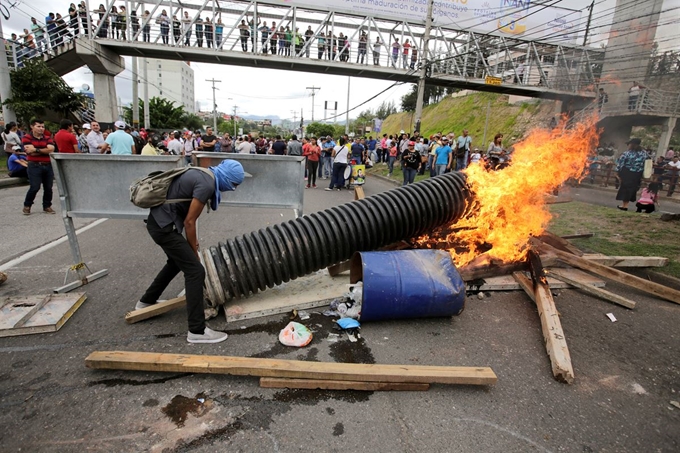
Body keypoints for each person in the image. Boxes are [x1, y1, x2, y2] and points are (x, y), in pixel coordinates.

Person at [137, 160, 245, 344]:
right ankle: (197, 330)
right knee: (195, 270)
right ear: (227, 178)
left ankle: (146, 301)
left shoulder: (202, 174)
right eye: (234, 184)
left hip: (160, 224)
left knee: (175, 262)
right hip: (165, 228)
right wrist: (194, 250)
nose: (232, 189)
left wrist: (191, 246)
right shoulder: (207, 184)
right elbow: (189, 221)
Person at [22, 119, 55, 215]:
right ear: (32, 127)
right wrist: (44, 151)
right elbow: (29, 151)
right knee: (35, 187)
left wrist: (35, 150)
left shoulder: (48, 138)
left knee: (48, 187)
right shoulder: (27, 138)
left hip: (48, 165)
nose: (41, 129)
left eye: (43, 127)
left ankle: (47, 206)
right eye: (38, 126)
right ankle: (27, 205)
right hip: (34, 165)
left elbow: (51, 150)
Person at [615, 138, 647, 211]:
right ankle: (625, 205)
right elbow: (648, 161)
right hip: (637, 174)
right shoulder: (644, 153)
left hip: (627, 172)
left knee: (625, 188)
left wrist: (617, 172)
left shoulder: (627, 153)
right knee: (632, 189)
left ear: (631, 144)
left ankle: (625, 206)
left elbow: (621, 163)